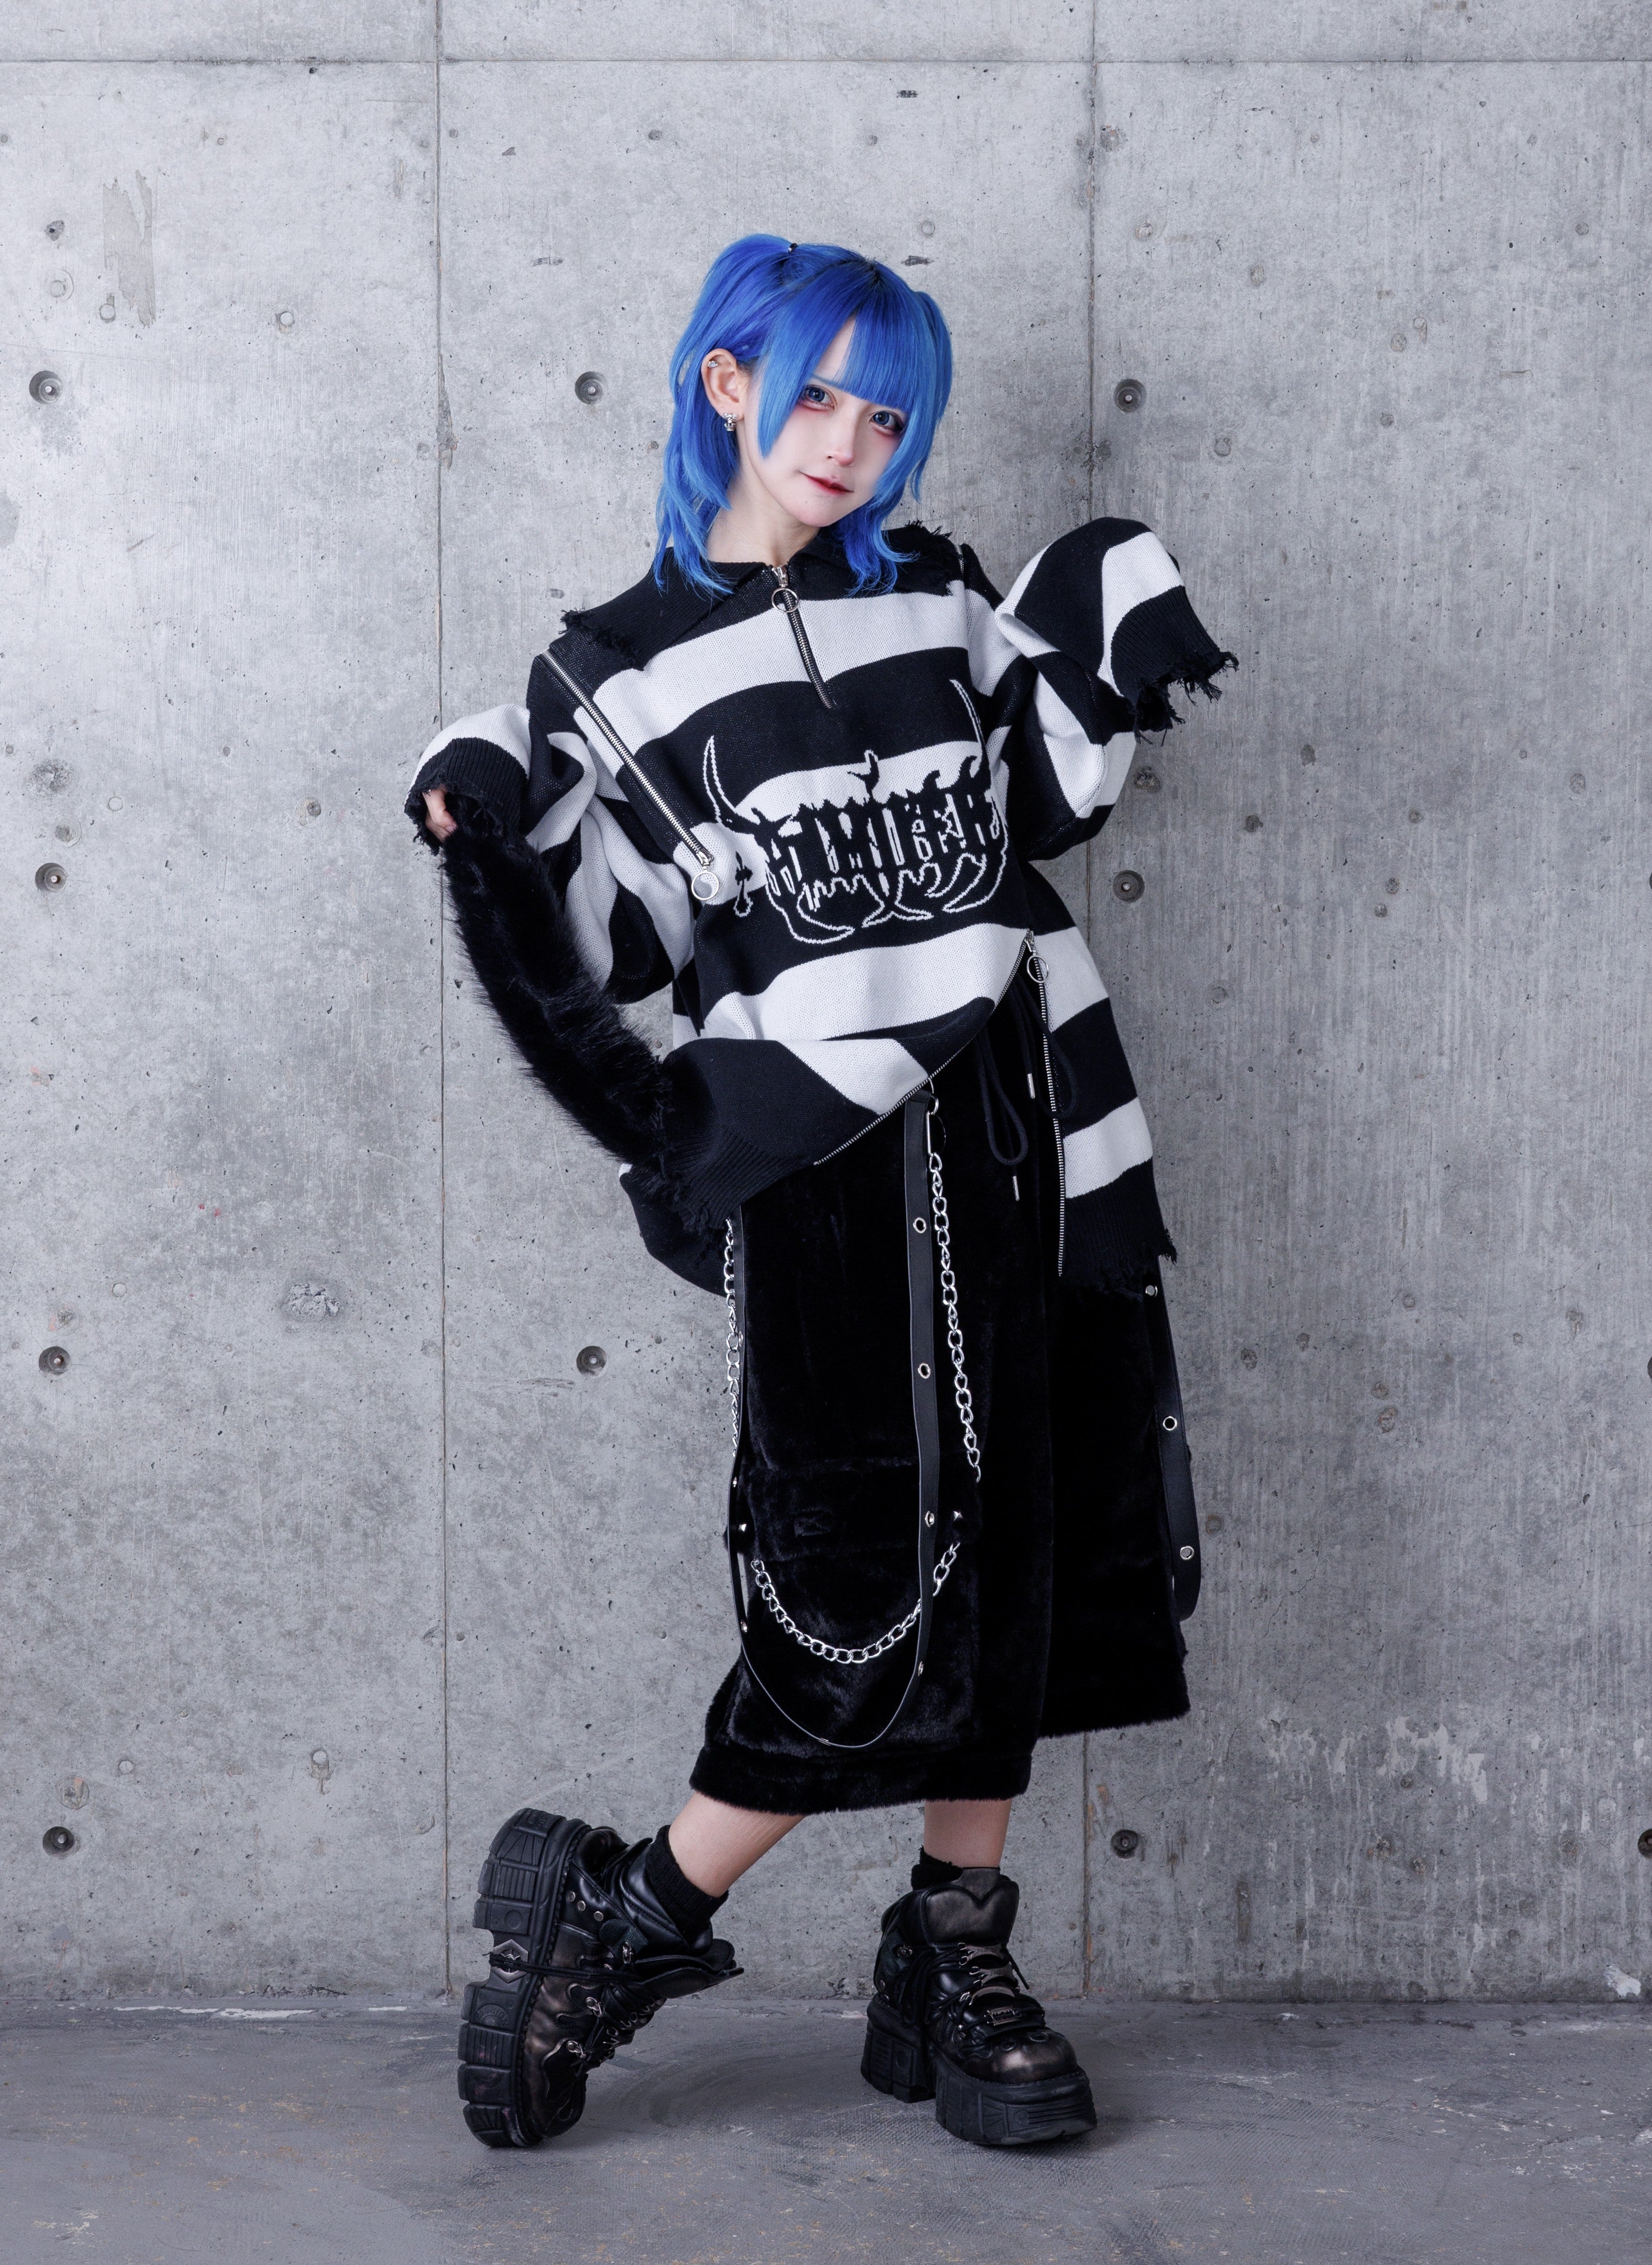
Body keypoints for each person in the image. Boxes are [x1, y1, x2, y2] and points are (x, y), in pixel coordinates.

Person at [406, 235, 1233, 2153]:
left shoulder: (934, 598)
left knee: (1027, 1540)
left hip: (1028, 1114)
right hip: (827, 1166)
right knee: (856, 1579)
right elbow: (614, 946)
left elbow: (1038, 802)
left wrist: (1102, 615)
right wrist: (488, 813)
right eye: (822, 396)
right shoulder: (615, 668)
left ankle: (955, 1942)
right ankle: (627, 1917)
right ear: (727, 385)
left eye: (890, 410)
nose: (853, 439)